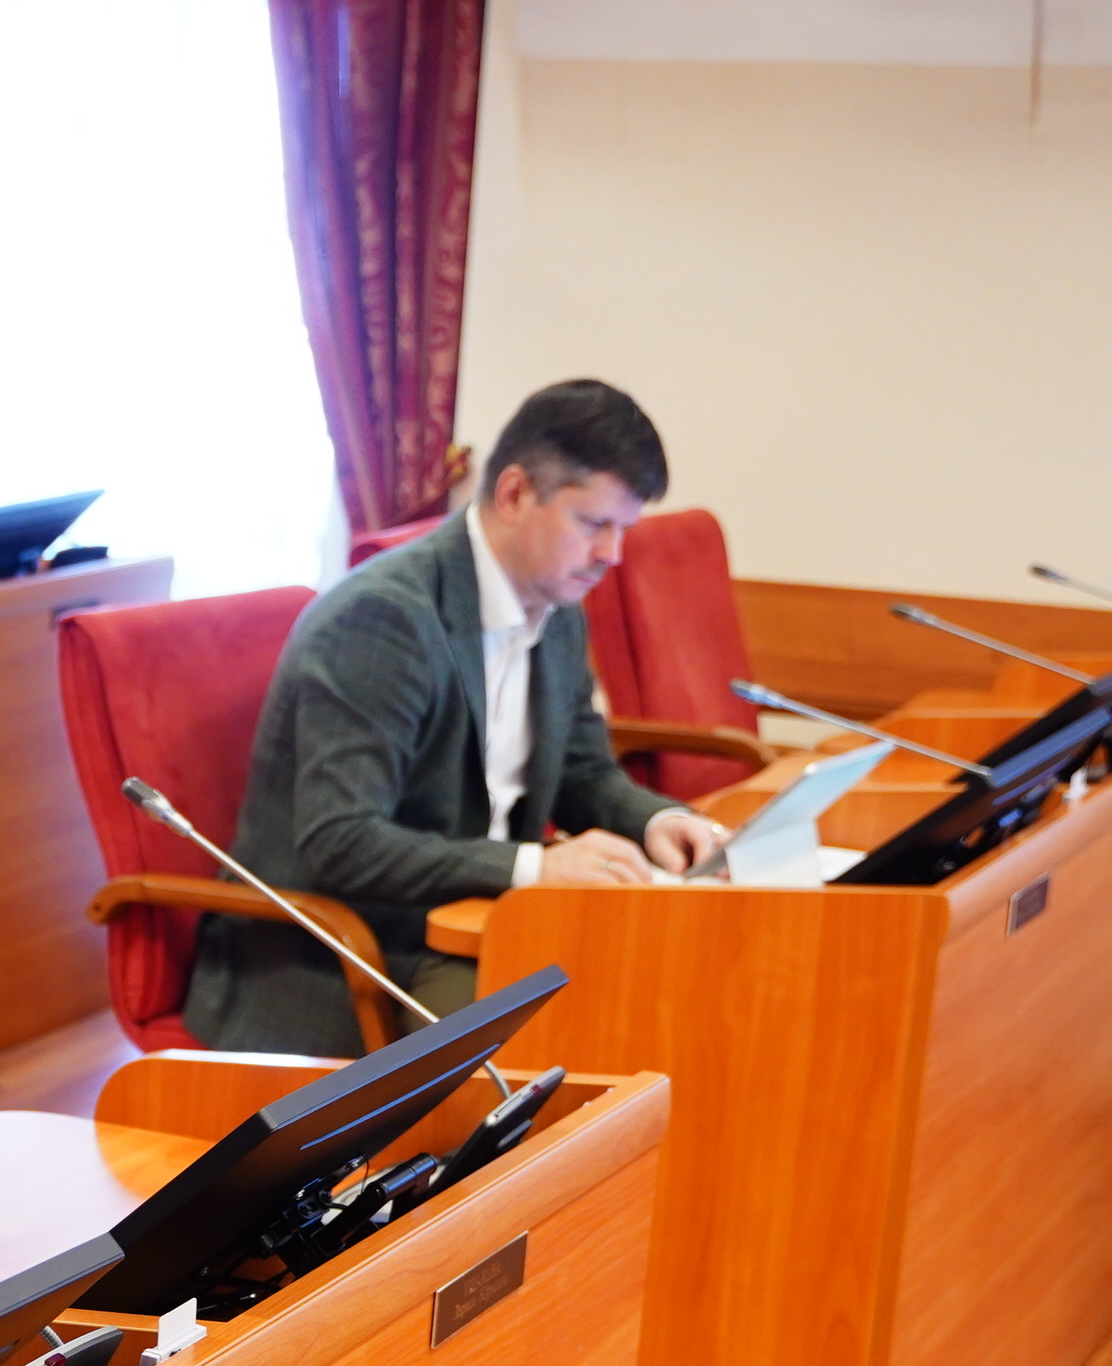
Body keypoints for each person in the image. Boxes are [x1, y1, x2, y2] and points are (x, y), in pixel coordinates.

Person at [181, 379, 738, 1055]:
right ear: (514, 495)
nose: (612, 555)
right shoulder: (384, 619)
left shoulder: (557, 605)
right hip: (357, 945)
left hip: (481, 916)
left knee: (685, 990)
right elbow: (340, 841)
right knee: (583, 1041)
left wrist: (657, 821)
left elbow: (582, 771)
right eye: (594, 524)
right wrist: (533, 868)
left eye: (624, 529)